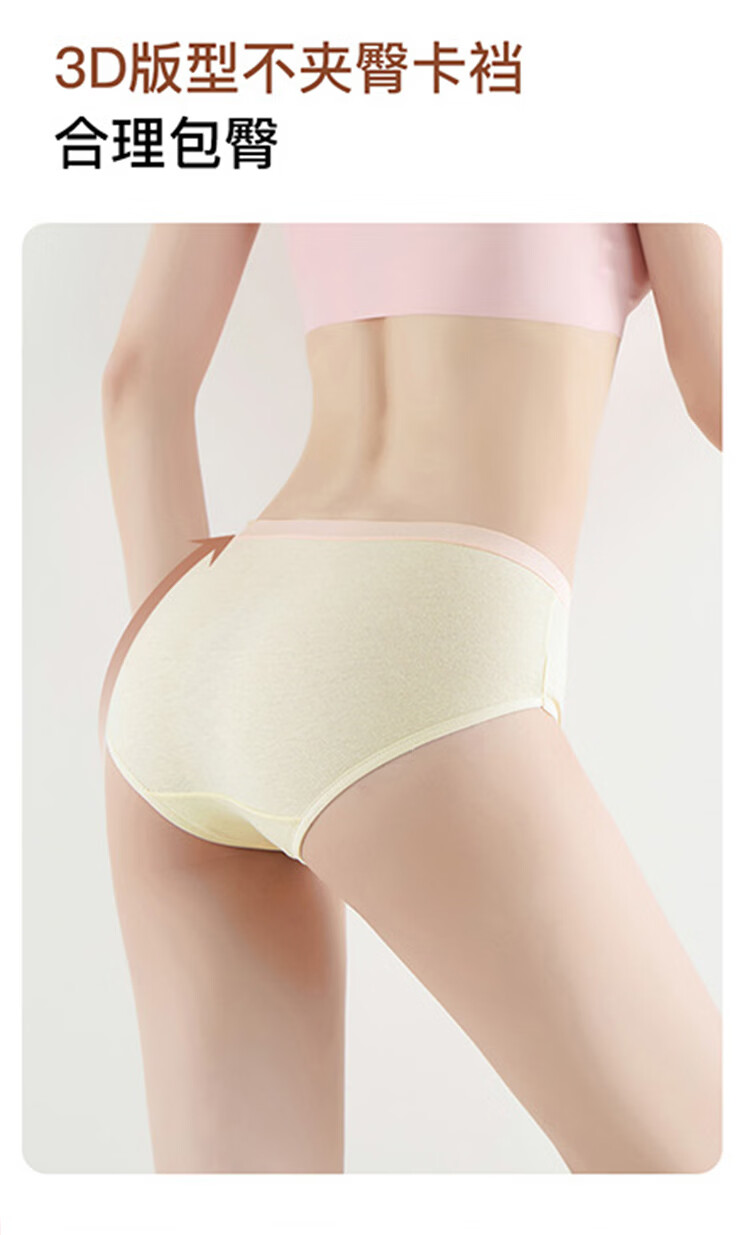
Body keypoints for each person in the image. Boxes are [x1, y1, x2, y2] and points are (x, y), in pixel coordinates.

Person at [100, 222, 721, 1174]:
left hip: (192, 642)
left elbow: (138, 382)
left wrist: (185, 662)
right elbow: (718, 385)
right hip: (417, 636)